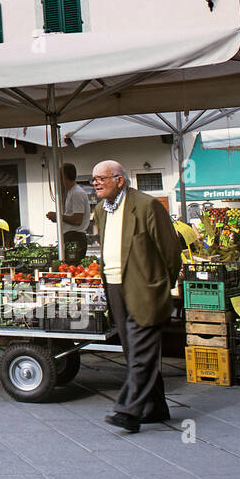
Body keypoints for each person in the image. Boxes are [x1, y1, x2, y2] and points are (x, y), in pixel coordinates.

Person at [91, 160, 181, 432]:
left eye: (102, 178)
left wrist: (161, 286)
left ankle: (128, 411)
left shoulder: (146, 205)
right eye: (94, 179)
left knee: (141, 351)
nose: (96, 183)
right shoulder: (100, 209)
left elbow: (171, 252)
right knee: (133, 351)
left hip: (145, 289)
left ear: (120, 180)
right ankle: (156, 408)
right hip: (116, 288)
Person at [46, 163, 91, 264]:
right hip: (71, 236)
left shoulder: (77, 193)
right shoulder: (71, 191)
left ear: (64, 176)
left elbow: (77, 219)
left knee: (72, 267)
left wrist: (58, 217)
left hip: (75, 237)